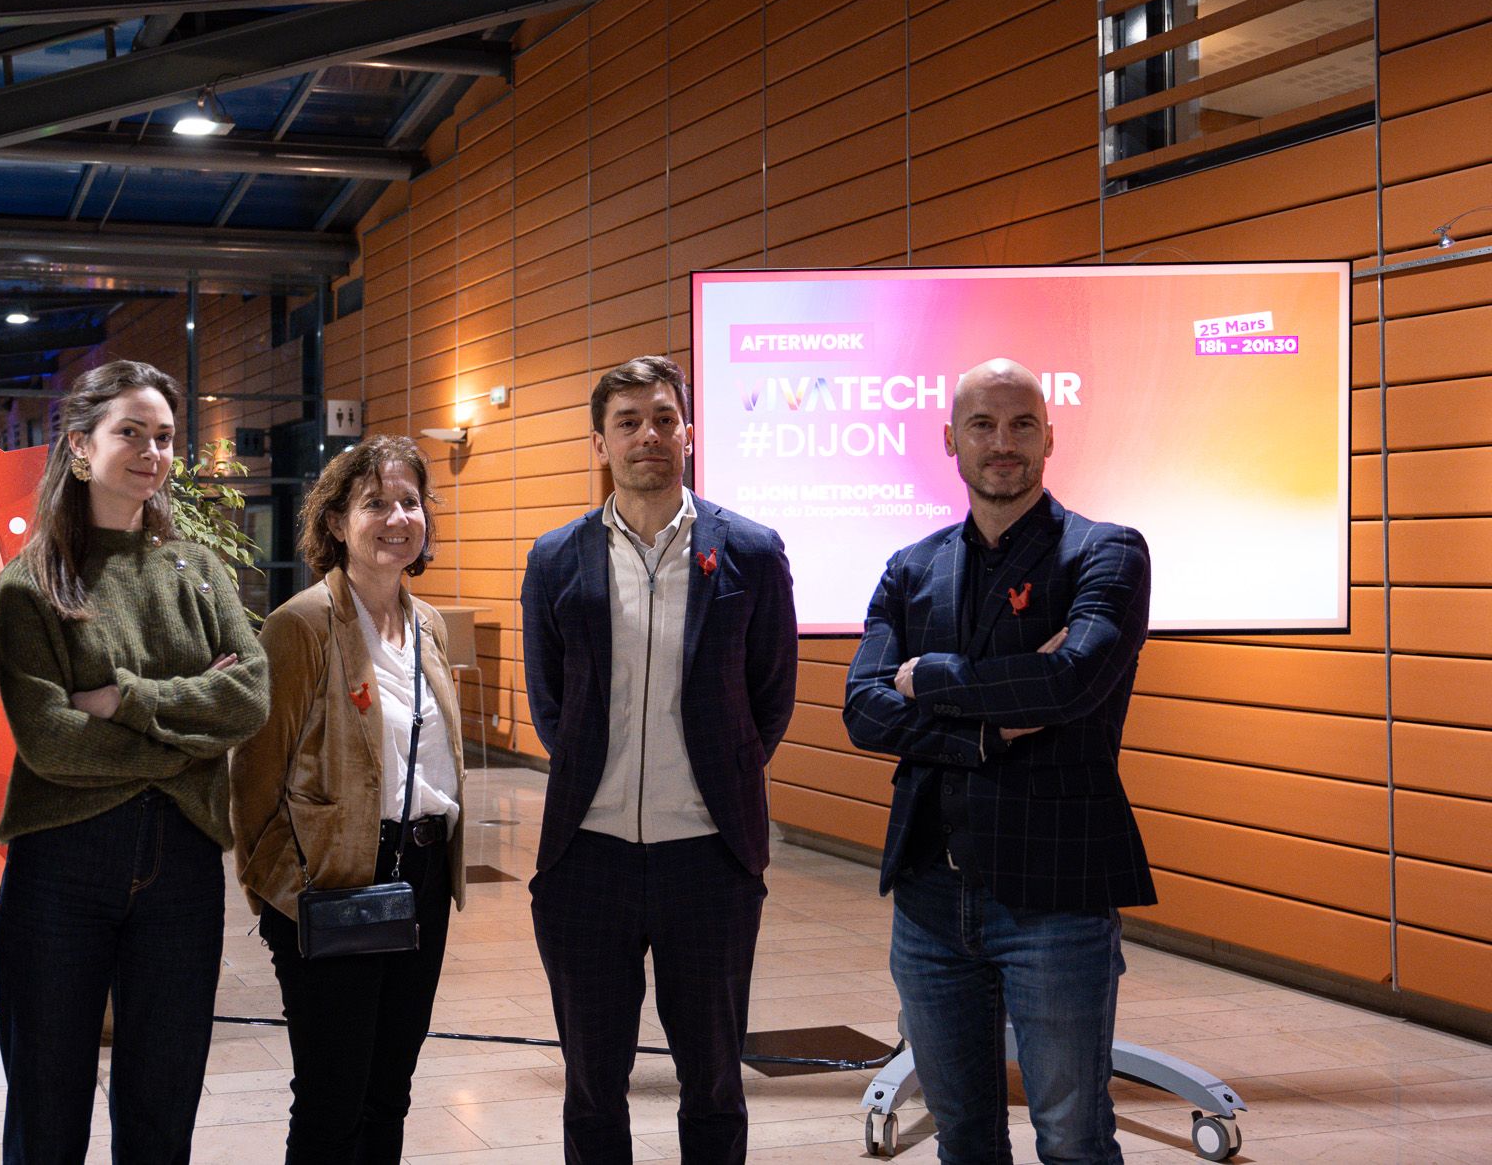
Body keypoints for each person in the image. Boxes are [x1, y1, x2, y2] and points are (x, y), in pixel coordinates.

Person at [843, 357, 1156, 1165]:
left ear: (1051, 435)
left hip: (1054, 900)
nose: (1003, 442)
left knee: (1074, 1139)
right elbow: (864, 709)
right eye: (982, 424)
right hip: (929, 903)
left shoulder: (1106, 553)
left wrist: (934, 677)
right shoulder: (911, 567)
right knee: (965, 1140)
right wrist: (988, 730)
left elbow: (1069, 679)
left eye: (1022, 423)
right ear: (950, 439)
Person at [519, 355, 798, 1165]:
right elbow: (550, 705)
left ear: (689, 432)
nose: (649, 435)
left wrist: (719, 777)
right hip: (586, 858)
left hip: (708, 860)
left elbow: (768, 698)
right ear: (599, 442)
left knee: (712, 1082)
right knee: (593, 1087)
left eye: (664, 418)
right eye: (629, 421)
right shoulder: (556, 557)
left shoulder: (749, 550)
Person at [0, 358, 270, 1165]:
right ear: (80, 446)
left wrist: (128, 699)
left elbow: (248, 698)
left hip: (181, 865)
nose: (152, 452)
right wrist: (186, 733)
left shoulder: (199, 568)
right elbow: (49, 739)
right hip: (61, 869)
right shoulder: (32, 584)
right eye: (131, 433)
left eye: (165, 437)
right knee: (47, 1110)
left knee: (164, 1102)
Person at [231, 435, 467, 1164]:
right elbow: (254, 781)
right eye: (375, 503)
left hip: (421, 880)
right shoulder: (301, 626)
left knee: (390, 1088)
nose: (397, 516)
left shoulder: (427, 622)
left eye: (409, 501)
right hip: (334, 883)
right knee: (333, 1098)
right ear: (336, 522)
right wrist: (286, 891)